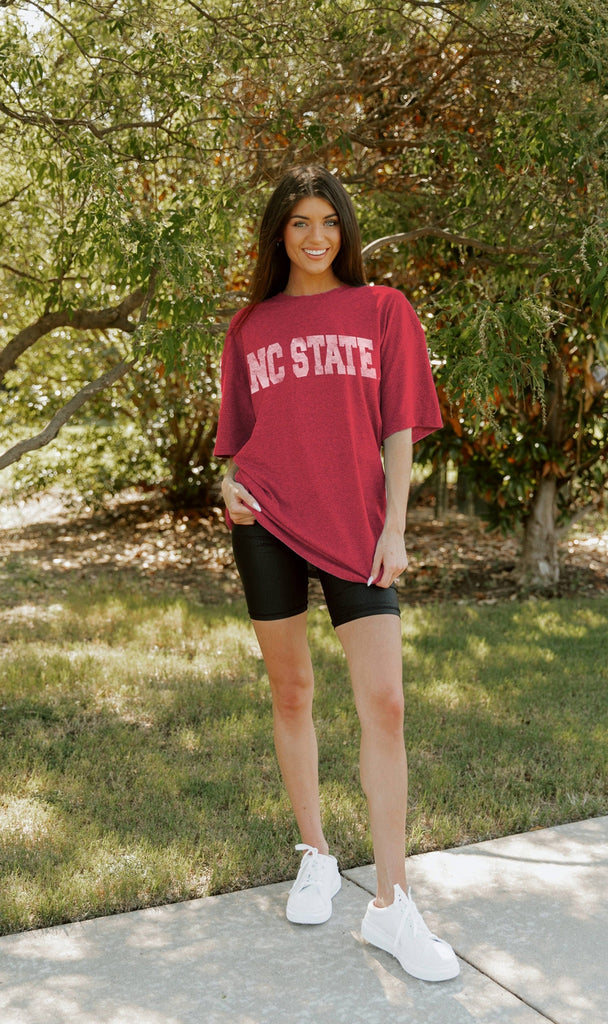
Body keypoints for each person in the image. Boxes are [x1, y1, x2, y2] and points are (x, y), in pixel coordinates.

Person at [214, 165, 459, 983]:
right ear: (278, 234)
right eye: (298, 223)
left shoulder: (382, 308)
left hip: (358, 525)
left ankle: (391, 903)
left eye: (327, 221)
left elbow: (398, 428)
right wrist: (226, 486)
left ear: (344, 230)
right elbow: (239, 439)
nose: (315, 236)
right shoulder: (249, 326)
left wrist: (395, 525)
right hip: (266, 522)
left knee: (384, 704)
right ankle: (315, 854)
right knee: (291, 693)